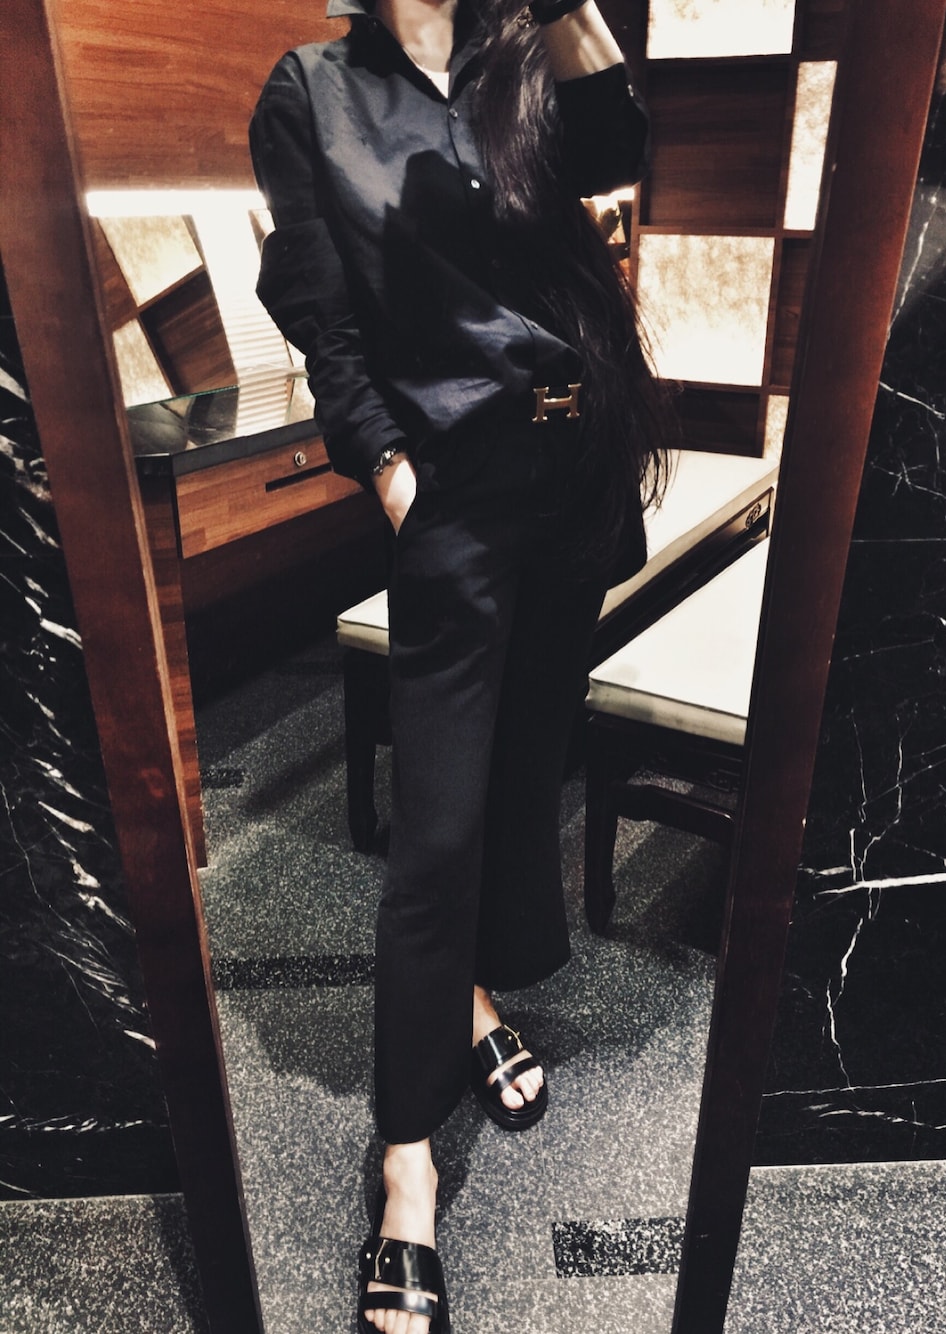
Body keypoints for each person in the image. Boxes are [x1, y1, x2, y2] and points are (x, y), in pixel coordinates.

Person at [250, 0, 668, 1327]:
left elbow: (615, 152)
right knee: (434, 829)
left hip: (577, 470)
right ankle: (406, 1162)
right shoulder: (314, 92)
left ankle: (476, 996)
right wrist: (390, 471)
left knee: (528, 769)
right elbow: (321, 313)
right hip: (457, 497)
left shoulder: (523, 52)